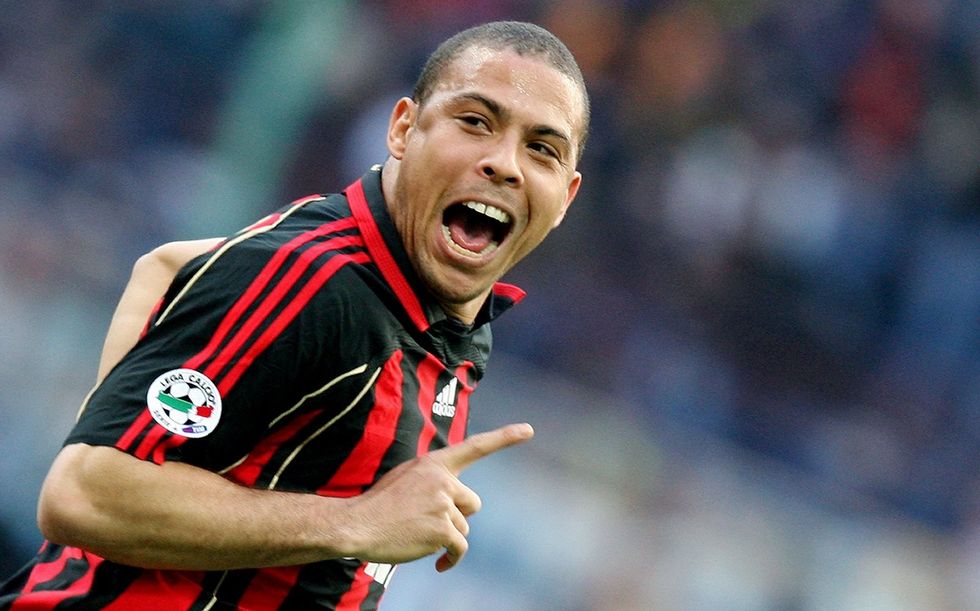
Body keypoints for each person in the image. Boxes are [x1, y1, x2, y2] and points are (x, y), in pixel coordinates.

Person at [0, 19, 588, 610]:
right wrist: (355, 522)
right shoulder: (321, 287)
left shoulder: (442, 311)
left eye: (542, 149)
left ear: (565, 196)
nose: (505, 163)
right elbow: (81, 495)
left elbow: (167, 265)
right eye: (475, 122)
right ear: (405, 128)